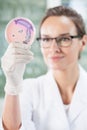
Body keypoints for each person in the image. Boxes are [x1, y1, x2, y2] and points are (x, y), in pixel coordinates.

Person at [1, 5, 87, 130]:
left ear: (83, 42)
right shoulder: (28, 90)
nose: (54, 49)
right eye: (46, 40)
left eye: (64, 39)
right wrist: (12, 87)